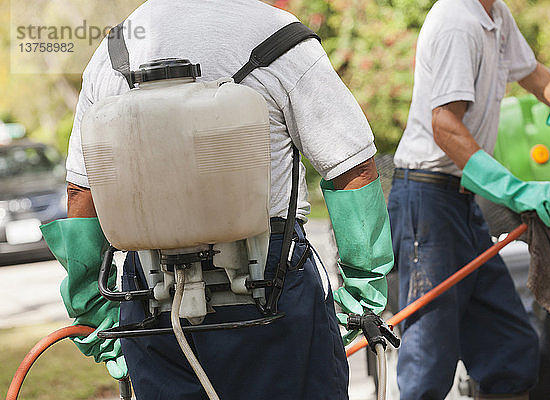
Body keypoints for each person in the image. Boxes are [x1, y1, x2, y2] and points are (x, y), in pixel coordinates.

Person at [39, 0, 395, 399]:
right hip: (270, 288)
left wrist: (95, 313)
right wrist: (362, 294)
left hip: (151, 297)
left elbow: (81, 191)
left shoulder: (115, 50)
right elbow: (350, 167)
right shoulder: (279, 37)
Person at [389, 0, 550, 398]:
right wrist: (517, 191)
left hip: (461, 202)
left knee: (511, 349)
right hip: (428, 200)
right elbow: (444, 124)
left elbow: (539, 79)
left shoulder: (495, 15)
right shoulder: (457, 21)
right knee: (428, 362)